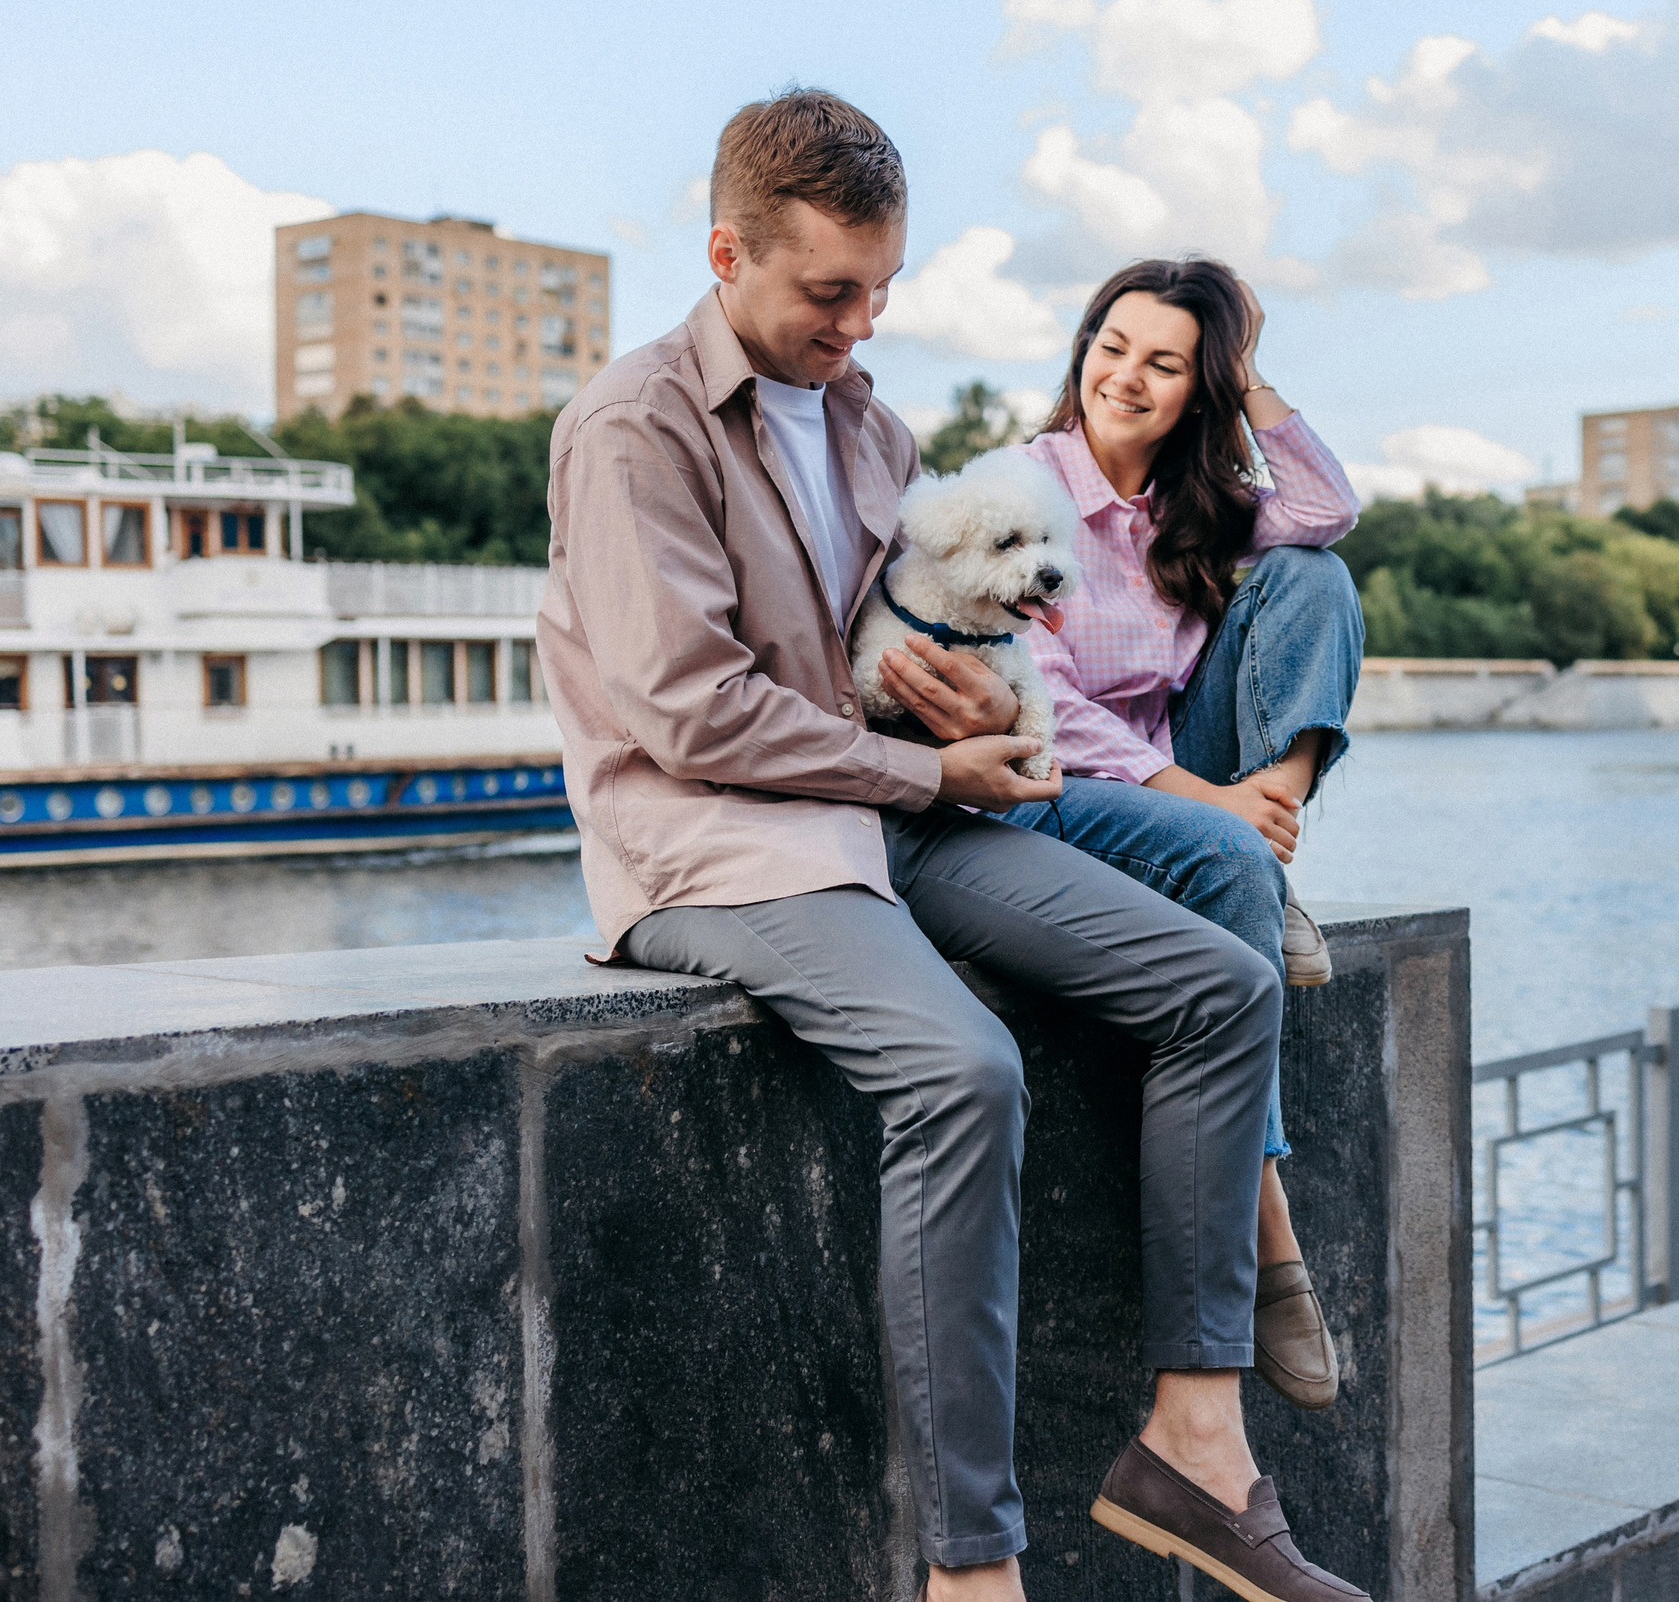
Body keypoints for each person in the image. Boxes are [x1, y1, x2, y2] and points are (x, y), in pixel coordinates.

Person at [537, 89, 1366, 1602]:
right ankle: (969, 1568)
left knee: (1222, 986)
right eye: (828, 293)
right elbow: (686, 712)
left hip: (892, 806)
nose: (859, 326)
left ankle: (1195, 1440)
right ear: (727, 252)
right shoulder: (629, 426)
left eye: (881, 290)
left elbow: (892, 634)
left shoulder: (875, 429)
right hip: (718, 846)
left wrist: (950, 687)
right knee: (963, 1071)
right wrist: (916, 761)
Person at [876, 258, 1364, 1414]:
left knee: (1315, 575)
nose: (1126, 377)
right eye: (1111, 345)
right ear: (1082, 346)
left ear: (1199, 387)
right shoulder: (1024, 489)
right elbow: (1041, 697)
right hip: (1059, 770)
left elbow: (1329, 508)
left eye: (1165, 362)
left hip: (1190, 772)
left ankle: (1267, 835)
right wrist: (1207, 802)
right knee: (1224, 853)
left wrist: (1248, 380)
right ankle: (1272, 1236)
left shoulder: (1194, 509)